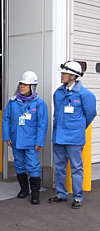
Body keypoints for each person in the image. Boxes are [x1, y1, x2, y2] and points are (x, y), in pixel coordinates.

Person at [48, 61, 97, 209]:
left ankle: (77, 197)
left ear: (73, 76)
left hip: (74, 138)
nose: (61, 75)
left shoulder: (85, 94)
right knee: (59, 167)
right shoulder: (58, 93)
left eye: (64, 73)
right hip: (58, 137)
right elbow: (57, 114)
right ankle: (61, 194)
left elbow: (90, 114)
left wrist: (77, 128)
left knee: (76, 167)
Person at [2, 71, 48, 205]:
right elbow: (6, 119)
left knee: (33, 166)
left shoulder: (39, 103)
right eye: (21, 84)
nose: (22, 86)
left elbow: (42, 124)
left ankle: (35, 194)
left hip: (31, 141)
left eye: (26, 85)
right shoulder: (13, 102)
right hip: (16, 140)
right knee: (19, 164)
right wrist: (7, 136)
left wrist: (39, 141)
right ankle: (24, 189)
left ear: (32, 87)